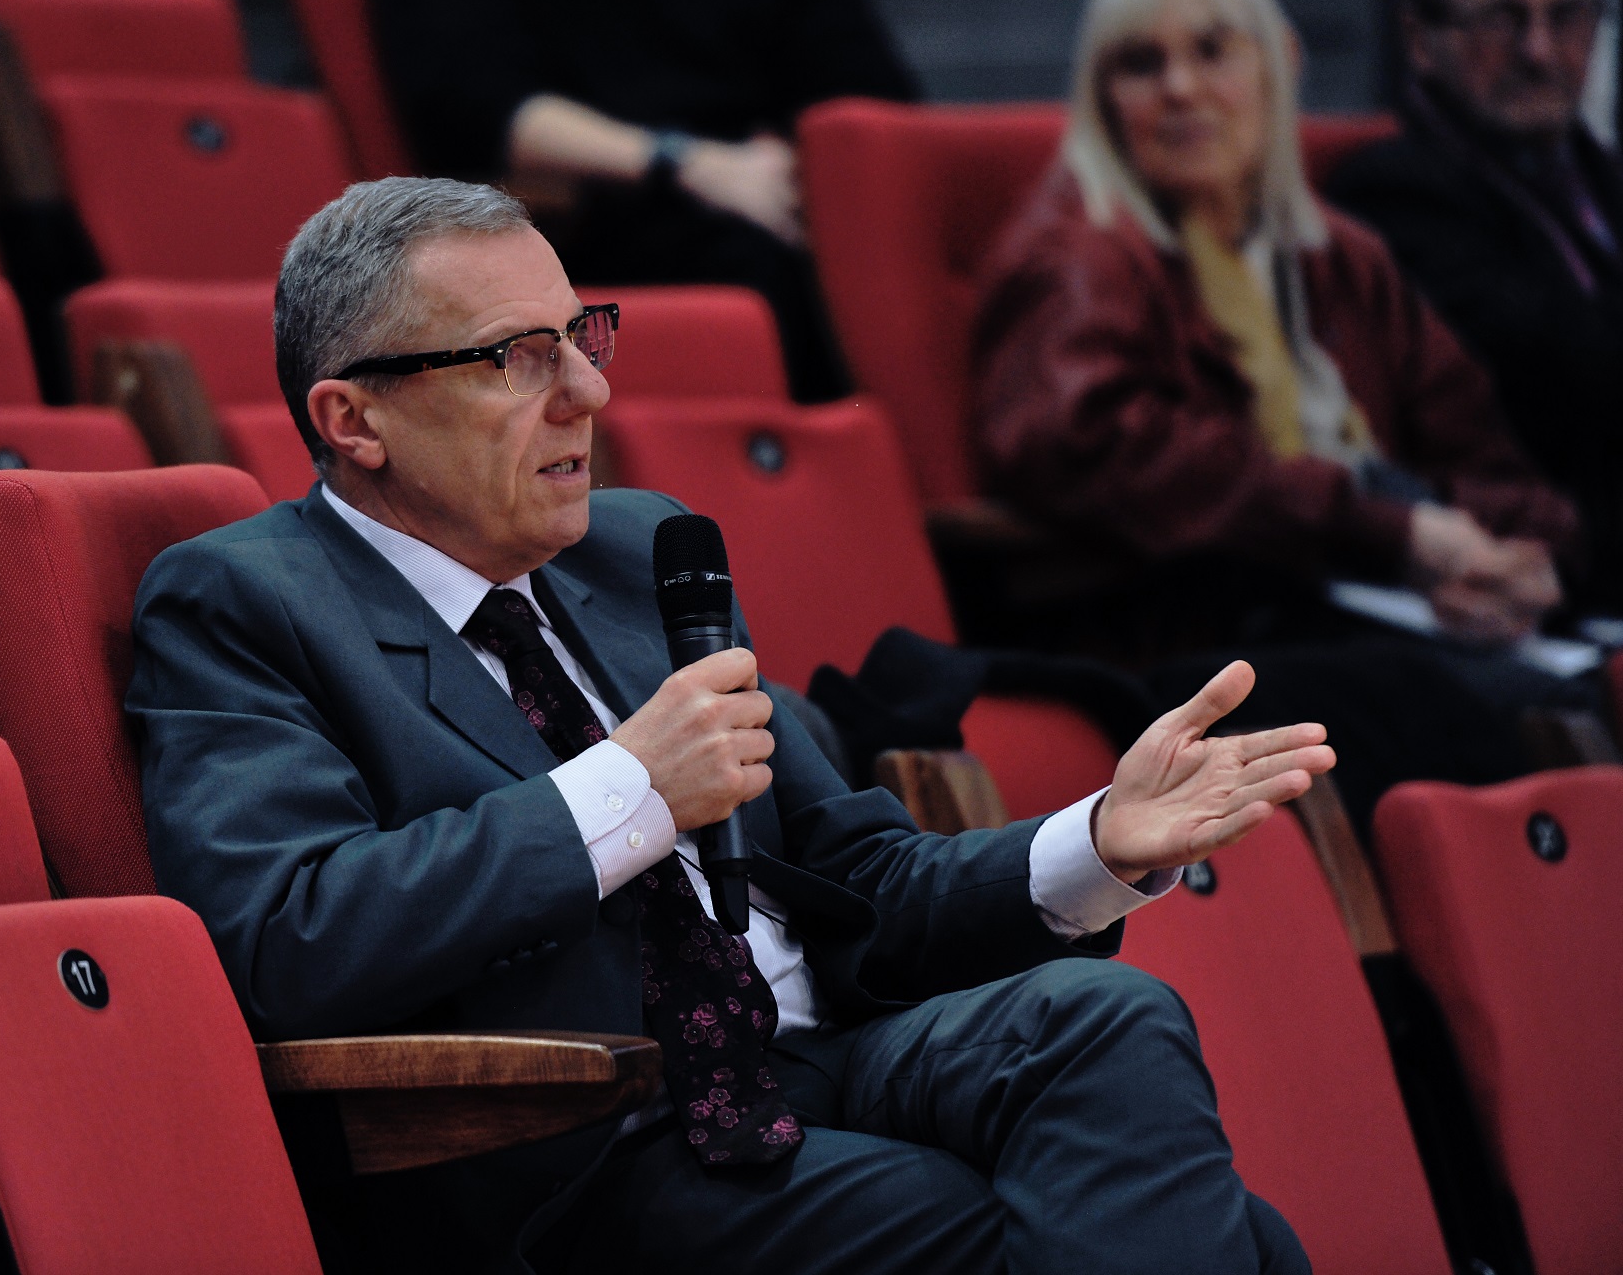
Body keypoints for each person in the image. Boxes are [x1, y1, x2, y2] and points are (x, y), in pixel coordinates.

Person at [130, 176, 1334, 1273]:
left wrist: (1100, 842)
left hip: (823, 1059)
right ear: (354, 421)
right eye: (519, 357)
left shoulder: (634, 548)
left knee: (1112, 1016)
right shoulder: (245, 603)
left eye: (584, 338)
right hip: (588, 1139)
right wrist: (629, 790)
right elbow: (289, 944)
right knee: (1222, 1245)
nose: (589, 394)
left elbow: (858, 878)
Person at [970, 0, 1576, 659]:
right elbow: (1099, 451)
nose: (1181, 88)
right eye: (1141, 63)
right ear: (1101, 98)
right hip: (1192, 639)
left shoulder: (1342, 257)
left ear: (1280, 61)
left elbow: (1478, 451)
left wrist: (1511, 556)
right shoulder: (1076, 252)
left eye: (1213, 50)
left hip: (1379, 613)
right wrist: (1392, 533)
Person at [368, 0, 917, 403]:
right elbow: (488, 111)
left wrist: (802, 162)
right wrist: (687, 163)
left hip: (785, 197)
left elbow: (868, 90)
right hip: (595, 220)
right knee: (753, 271)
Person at [1326, 0, 1623, 613]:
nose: (1539, 49)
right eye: (1502, 18)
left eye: (1568, 14)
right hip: (1540, 580)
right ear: (1421, 39)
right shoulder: (1392, 194)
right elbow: (1571, 377)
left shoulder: (1604, 180)